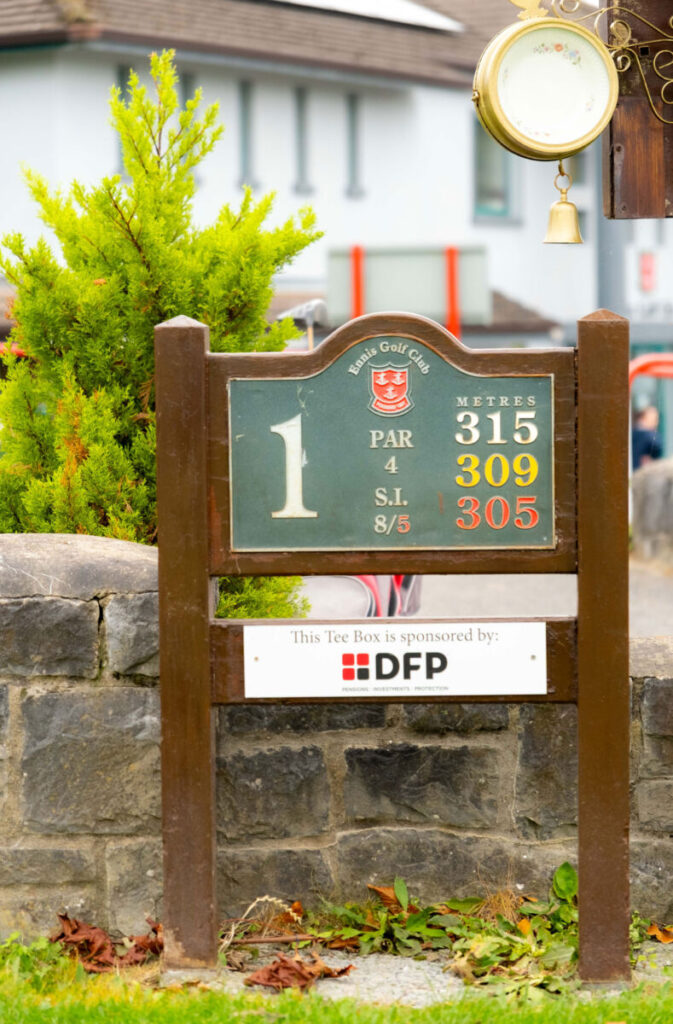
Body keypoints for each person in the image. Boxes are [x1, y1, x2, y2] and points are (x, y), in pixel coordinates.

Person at [632, 405, 663, 470]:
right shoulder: (650, 435)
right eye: (655, 419)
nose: (657, 422)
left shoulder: (633, 433)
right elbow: (657, 446)